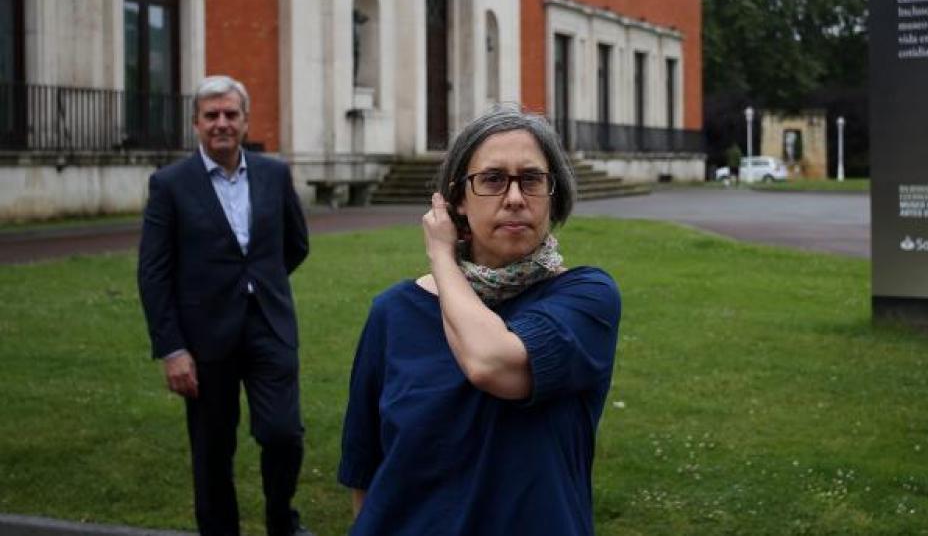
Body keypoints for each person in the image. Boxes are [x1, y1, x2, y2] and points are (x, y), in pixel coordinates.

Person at [338, 106, 621, 535]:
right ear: (457, 202)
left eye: (531, 179)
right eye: (491, 179)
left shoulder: (585, 298)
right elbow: (365, 469)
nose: (514, 197)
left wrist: (441, 257)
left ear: (553, 196)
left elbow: (491, 363)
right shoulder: (394, 312)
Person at [138, 75, 312, 536]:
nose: (221, 123)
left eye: (230, 114)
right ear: (196, 124)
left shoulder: (274, 174)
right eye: (211, 115)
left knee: (283, 434)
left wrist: (259, 284)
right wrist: (172, 348)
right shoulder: (170, 185)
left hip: (268, 328)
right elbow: (154, 273)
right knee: (213, 450)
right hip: (203, 338)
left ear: (245, 120)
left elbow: (295, 244)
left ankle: (281, 519)